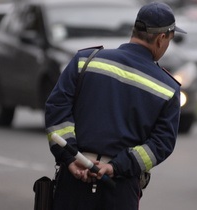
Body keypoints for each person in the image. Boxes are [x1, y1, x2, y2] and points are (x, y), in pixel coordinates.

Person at [45, 2, 186, 210]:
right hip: (119, 189)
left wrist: (70, 156)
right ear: (161, 38)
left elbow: (56, 107)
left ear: (134, 30)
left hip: (73, 182)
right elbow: (161, 144)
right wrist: (114, 167)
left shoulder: (85, 60)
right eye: (169, 39)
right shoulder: (167, 88)